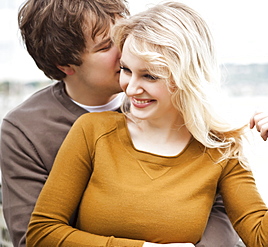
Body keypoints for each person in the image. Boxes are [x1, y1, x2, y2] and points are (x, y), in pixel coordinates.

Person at [26, 1, 268, 246]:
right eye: (126, 69)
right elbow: (42, 233)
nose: (131, 87)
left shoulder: (223, 149)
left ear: (186, 77)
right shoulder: (92, 130)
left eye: (149, 76)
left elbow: (267, 241)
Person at [0, 0, 239, 246]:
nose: (125, 47)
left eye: (122, 33)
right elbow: (33, 238)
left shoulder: (165, 98)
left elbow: (222, 207)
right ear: (65, 65)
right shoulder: (25, 130)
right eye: (106, 46)